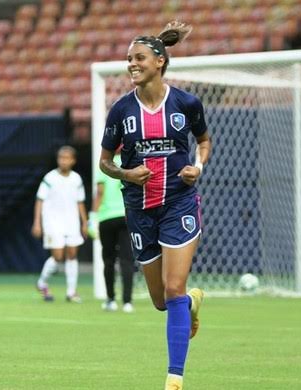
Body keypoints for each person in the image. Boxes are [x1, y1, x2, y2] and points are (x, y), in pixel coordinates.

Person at [98, 21, 212, 390]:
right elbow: (104, 162)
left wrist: (198, 165)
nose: (131, 64)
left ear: (159, 61)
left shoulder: (186, 103)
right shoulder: (120, 111)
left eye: (139, 58)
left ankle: (174, 378)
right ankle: (191, 306)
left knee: (174, 288)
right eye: (129, 59)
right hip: (139, 210)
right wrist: (126, 175)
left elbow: (204, 141)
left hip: (179, 203)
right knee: (163, 301)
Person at [32, 145, 88, 303]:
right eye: (61, 158)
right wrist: (37, 222)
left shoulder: (76, 179)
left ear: (73, 161)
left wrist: (84, 222)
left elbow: (80, 202)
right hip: (52, 221)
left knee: (72, 254)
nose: (63, 161)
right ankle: (42, 282)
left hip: (71, 221)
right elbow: (40, 200)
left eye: (66, 158)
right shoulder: (50, 178)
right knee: (57, 256)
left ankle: (71, 292)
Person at [90, 152, 134, 313]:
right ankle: (128, 302)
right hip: (126, 215)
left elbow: (100, 193)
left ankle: (110, 299)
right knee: (127, 260)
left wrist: (92, 218)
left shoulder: (104, 163)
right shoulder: (131, 161)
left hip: (106, 217)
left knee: (108, 260)